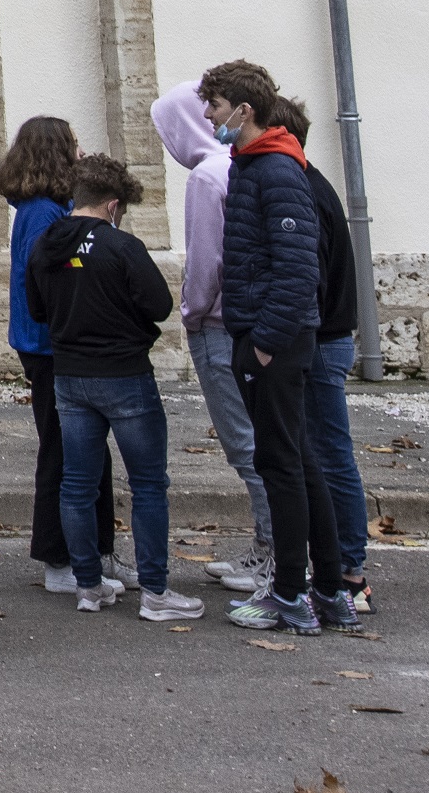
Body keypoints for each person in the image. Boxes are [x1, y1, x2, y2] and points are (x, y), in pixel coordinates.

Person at [28, 152, 202, 622]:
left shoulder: (44, 246)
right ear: (111, 205)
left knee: (77, 485)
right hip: (124, 375)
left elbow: (38, 311)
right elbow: (159, 306)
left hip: (69, 375)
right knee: (147, 485)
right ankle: (157, 592)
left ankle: (88, 586)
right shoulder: (122, 247)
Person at [202, 60, 341, 632]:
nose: (208, 116)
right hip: (267, 335)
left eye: (213, 105)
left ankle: (290, 594)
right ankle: (328, 592)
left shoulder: (276, 169)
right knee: (297, 460)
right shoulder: (255, 164)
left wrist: (263, 342)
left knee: (281, 464)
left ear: (243, 110)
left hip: (272, 341)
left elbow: (295, 267)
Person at [153, 76, 275, 592]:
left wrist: (190, 311)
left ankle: (275, 551)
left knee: (244, 444)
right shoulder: (239, 166)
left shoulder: (206, 177)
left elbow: (206, 263)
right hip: (250, 320)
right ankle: (272, 546)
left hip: (218, 324)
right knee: (267, 439)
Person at [0, 113, 112, 590]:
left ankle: (92, 551)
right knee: (64, 452)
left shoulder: (45, 206)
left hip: (49, 341)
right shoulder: (45, 212)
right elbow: (47, 280)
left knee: (81, 449)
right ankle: (60, 558)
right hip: (50, 344)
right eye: (75, 144)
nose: (80, 153)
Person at [274, 96, 377, 622]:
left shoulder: (302, 191)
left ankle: (349, 572)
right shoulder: (315, 185)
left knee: (326, 454)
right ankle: (341, 568)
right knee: (323, 452)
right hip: (328, 334)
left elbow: (302, 275)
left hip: (319, 338)